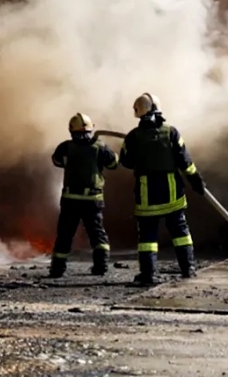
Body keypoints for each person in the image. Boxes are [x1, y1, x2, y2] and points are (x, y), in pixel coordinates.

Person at [118, 93, 206, 286]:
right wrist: (196, 181)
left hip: (147, 193)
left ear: (139, 112)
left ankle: (148, 275)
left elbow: (125, 162)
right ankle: (188, 269)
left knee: (147, 236)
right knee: (180, 231)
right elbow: (185, 162)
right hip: (172, 191)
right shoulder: (171, 132)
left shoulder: (133, 136)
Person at [49, 112, 119, 278]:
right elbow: (113, 164)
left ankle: (57, 270)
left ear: (71, 131)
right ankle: (100, 267)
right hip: (92, 200)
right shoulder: (99, 147)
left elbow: (57, 161)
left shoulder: (65, 147)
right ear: (90, 129)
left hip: (70, 200)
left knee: (65, 235)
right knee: (97, 234)